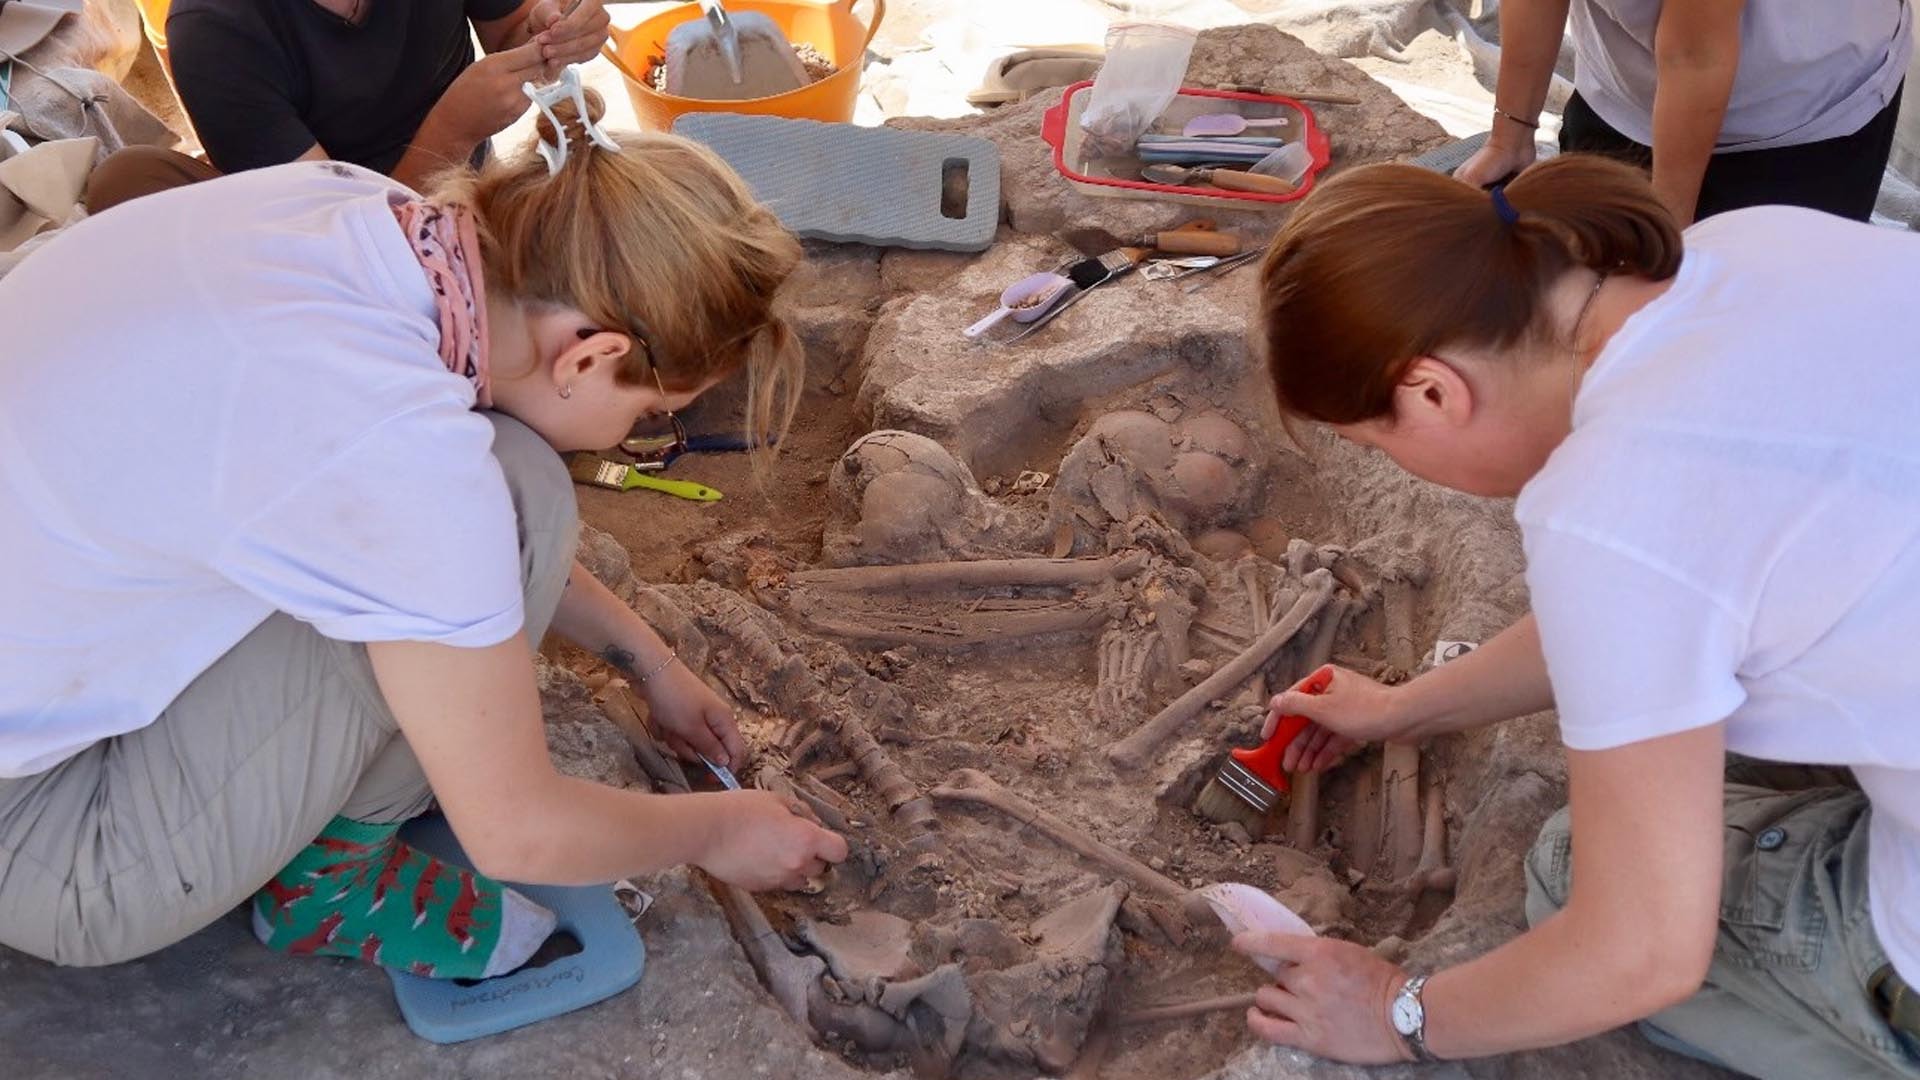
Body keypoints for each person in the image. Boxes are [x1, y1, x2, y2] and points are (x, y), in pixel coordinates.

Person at [0, 88, 847, 980]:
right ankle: (325, 887)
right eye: (651, 417)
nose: (636, 438)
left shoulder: (358, 209)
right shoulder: (395, 444)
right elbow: (517, 828)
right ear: (589, 356)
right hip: (49, 842)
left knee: (508, 480)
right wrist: (717, 830)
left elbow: (432, 525)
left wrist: (653, 666)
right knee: (514, 488)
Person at [1233, 155, 1920, 1078]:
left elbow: (1641, 949)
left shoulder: (1610, 500)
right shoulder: (1747, 244)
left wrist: (1401, 1012)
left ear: (1431, 390)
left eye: (1375, 442)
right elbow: (1666, 591)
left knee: (1566, 872)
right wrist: (1408, 707)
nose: (1396, 465)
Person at [86, 0, 612, 212]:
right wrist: (452, 131)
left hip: (460, 184)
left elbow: (511, 29)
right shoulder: (215, 33)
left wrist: (553, 32)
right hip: (340, 231)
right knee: (128, 179)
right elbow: (337, 236)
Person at [1455, 0, 1912, 227]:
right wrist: (1510, 133)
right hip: (1631, 84)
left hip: (1796, 103)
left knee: (1756, 326)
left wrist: (1668, 227)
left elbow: (1696, 54)